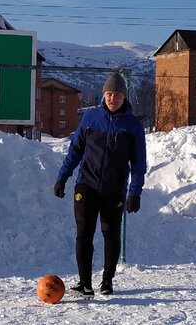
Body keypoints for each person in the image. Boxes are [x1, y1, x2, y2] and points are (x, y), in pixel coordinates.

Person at [53, 71, 147, 296]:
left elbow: (138, 163)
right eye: (109, 94)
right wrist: (62, 177)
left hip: (114, 189)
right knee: (84, 232)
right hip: (87, 184)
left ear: (124, 97)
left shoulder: (133, 126)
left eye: (117, 95)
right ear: (104, 95)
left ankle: (107, 281)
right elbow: (75, 150)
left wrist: (135, 192)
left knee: (110, 232)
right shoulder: (91, 118)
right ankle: (84, 283)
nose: (113, 98)